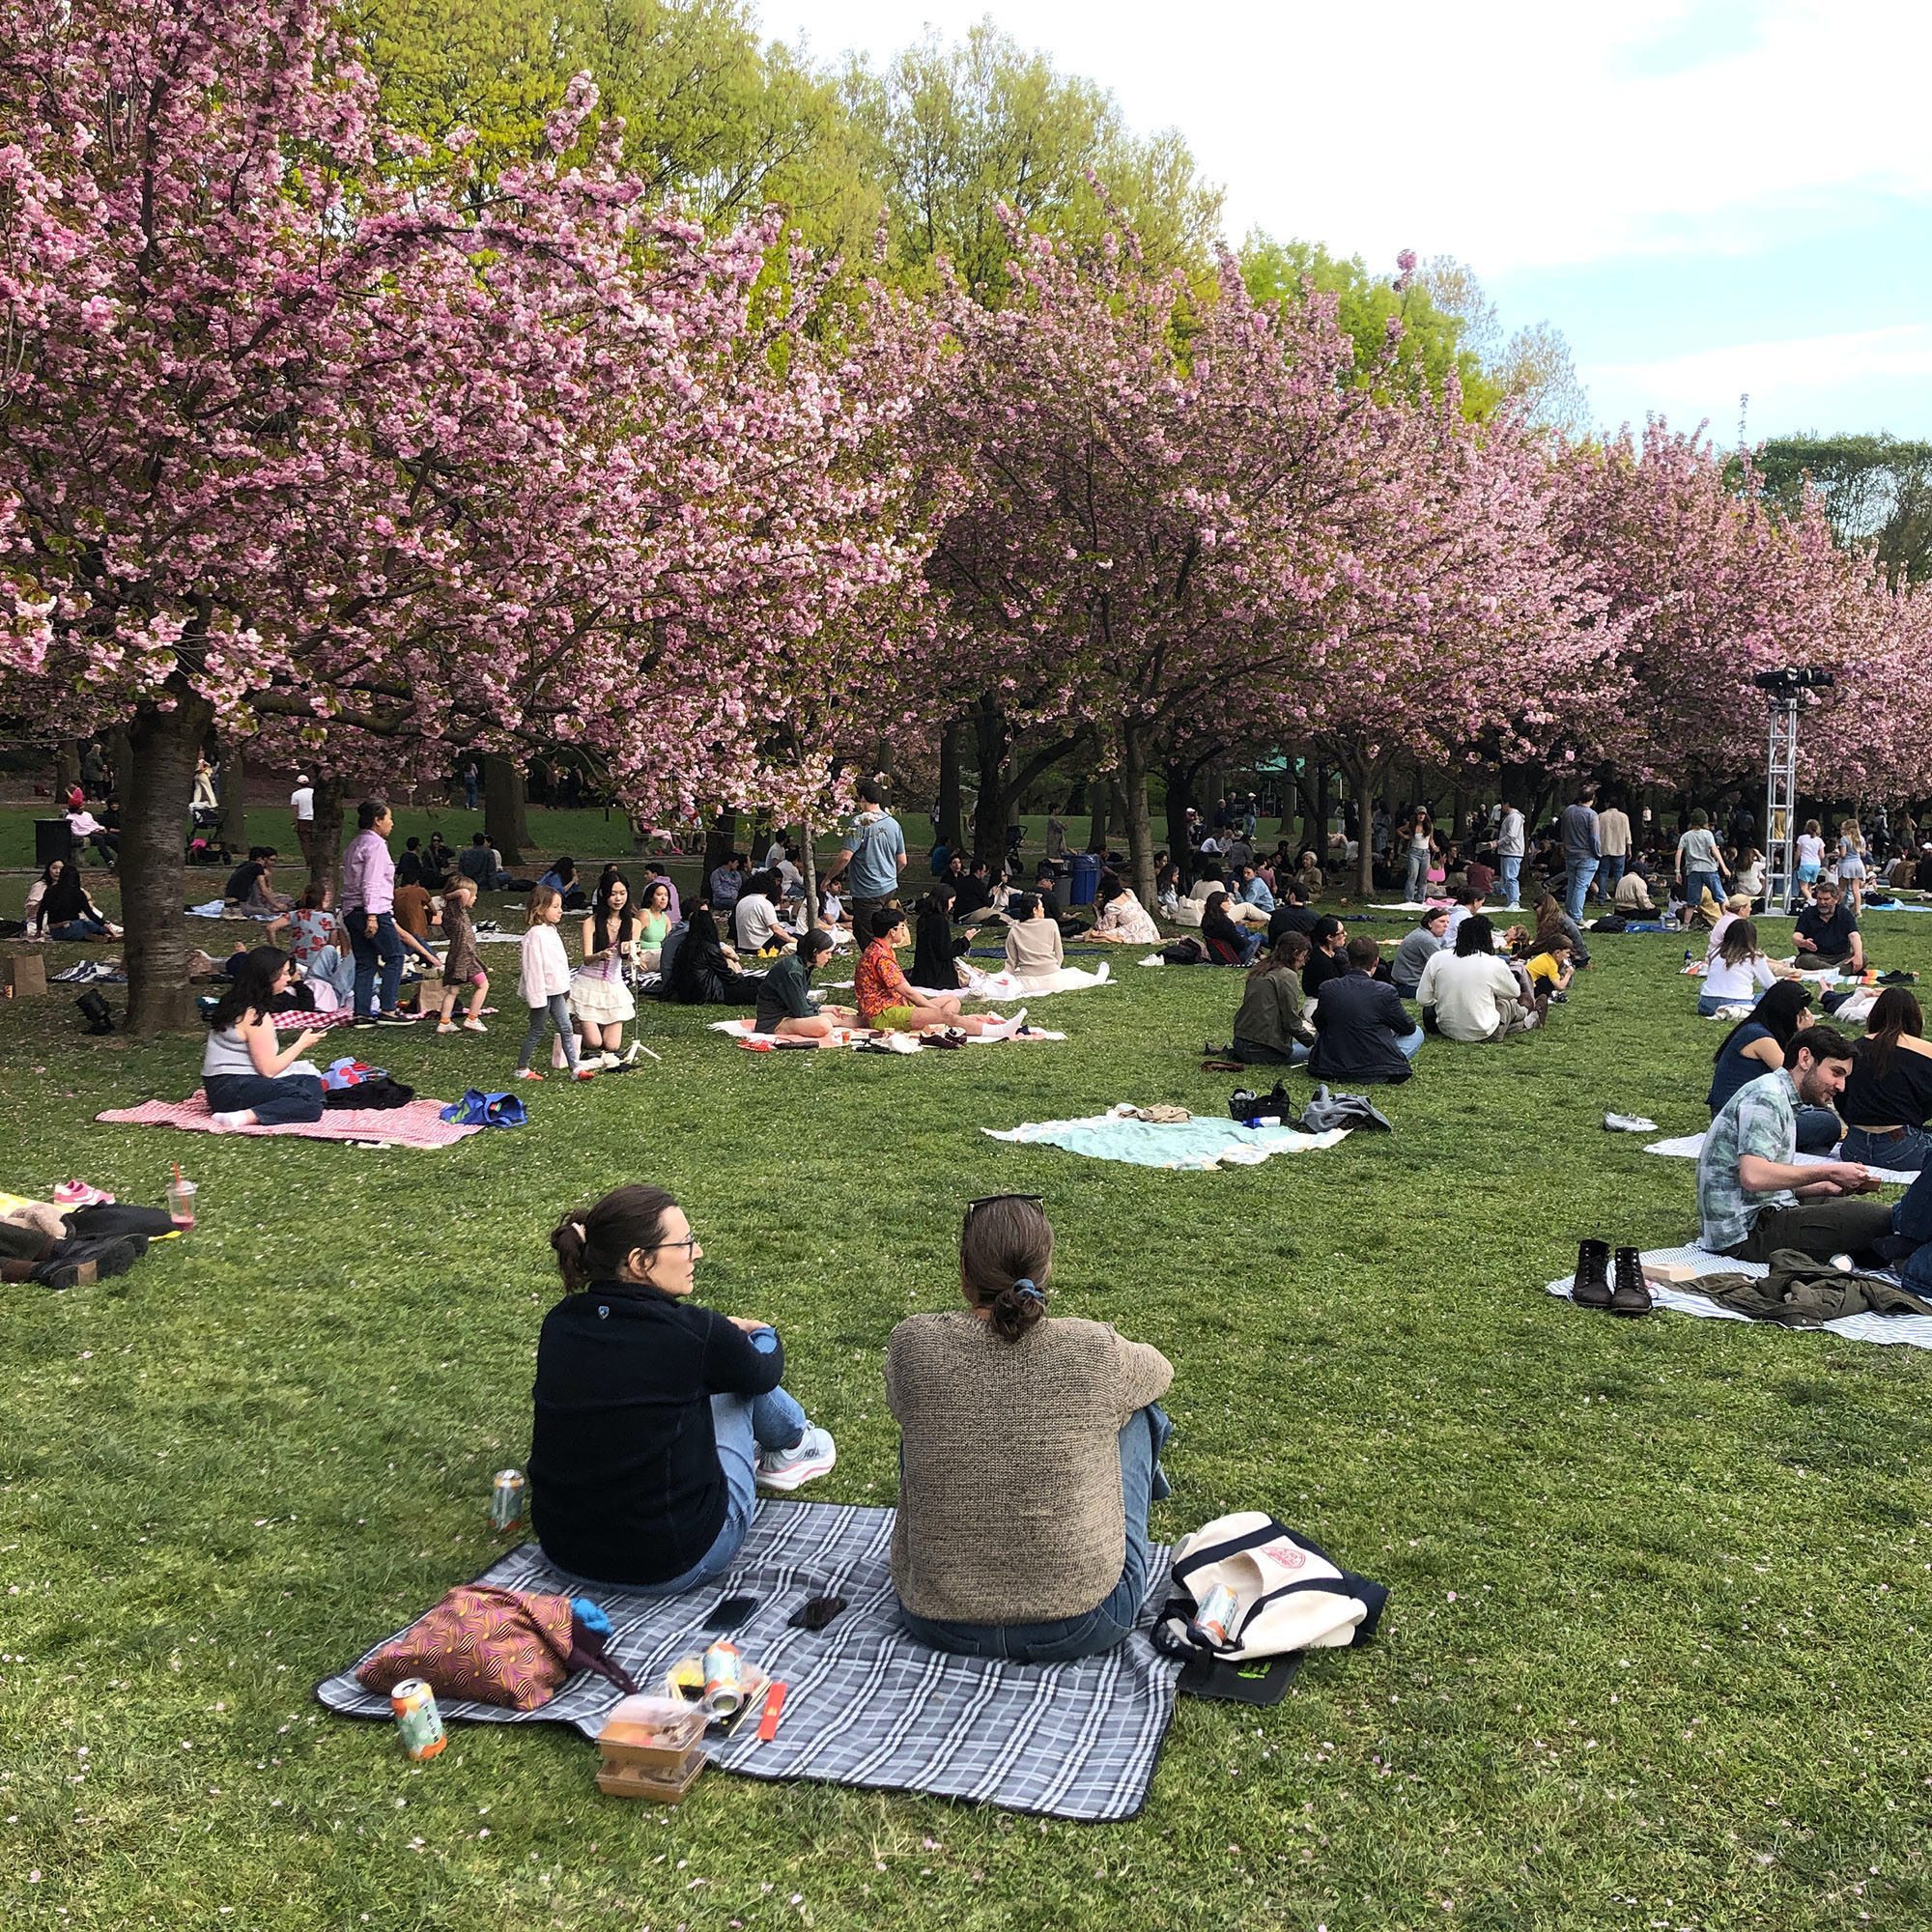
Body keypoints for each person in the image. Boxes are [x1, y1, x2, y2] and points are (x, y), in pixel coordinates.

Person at [888, 1195, 1172, 1662]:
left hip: (937, 1618)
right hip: (1088, 1620)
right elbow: (1159, 1372)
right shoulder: (1090, 1348)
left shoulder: (914, 1344)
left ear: (964, 1271)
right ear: (1047, 1267)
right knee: (1139, 1411)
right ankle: (1092, 1531)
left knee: (921, 1408)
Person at [528, 1183, 832, 1589]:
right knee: (732, 1382)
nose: (697, 1253)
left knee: (707, 1373)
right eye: (685, 1243)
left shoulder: (560, 1322)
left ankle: (794, 1446)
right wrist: (761, 1333)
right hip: (675, 1561)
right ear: (639, 1261)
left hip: (565, 1554)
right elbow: (763, 1373)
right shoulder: (694, 1336)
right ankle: (795, 1445)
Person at [1695, 1027, 1891, 1263]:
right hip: (1744, 1233)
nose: (1841, 1087)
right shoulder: (1766, 1097)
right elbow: (1754, 1177)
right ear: (1805, 1058)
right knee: (1878, 1218)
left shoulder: (1776, 1093)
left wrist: (1824, 1185)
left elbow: (1753, 1183)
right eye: (1836, 1073)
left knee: (1840, 1203)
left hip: (1756, 1213)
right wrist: (1829, 1170)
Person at [199, 947, 327, 1131]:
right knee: (310, 1104)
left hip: (221, 1087)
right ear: (267, 977)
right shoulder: (254, 1016)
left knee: (309, 1081)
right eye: (283, 974)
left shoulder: (234, 1002)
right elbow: (268, 1070)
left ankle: (282, 1107)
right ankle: (242, 1117)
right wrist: (301, 1044)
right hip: (233, 1088)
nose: (289, 979)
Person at [857, 909, 1023, 1037]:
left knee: (952, 1000)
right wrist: (934, 1011)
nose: (904, 930)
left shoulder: (878, 949)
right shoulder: (881, 957)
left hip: (893, 1006)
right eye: (902, 927)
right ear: (892, 931)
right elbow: (908, 992)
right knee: (946, 1015)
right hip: (884, 1013)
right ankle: (998, 1031)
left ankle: (941, 1022)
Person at [1837, 989, 1932, 1173]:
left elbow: (1840, 1095)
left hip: (1854, 1148)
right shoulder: (1925, 1051)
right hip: (1905, 1147)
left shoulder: (1853, 1048)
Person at [339, 799, 412, 1028]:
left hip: (351, 910)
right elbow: (371, 882)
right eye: (389, 818)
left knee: (365, 962)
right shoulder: (377, 845)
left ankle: (361, 1013)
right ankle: (388, 1009)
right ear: (377, 820)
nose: (392, 823)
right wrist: (372, 915)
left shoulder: (354, 844)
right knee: (394, 956)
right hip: (373, 910)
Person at [1309, 936, 1423, 1082]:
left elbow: (1319, 1022)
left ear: (1349, 961)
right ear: (1376, 961)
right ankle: (1384, 1064)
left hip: (1330, 1067)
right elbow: (1408, 1028)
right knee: (1417, 1032)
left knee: (1329, 1029)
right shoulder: (1385, 991)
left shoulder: (1328, 987)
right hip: (1374, 1069)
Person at [1417, 916, 1540, 1041]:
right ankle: (1528, 1018)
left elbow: (1423, 999)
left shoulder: (1437, 958)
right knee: (1511, 1002)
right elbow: (1514, 993)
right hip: (1485, 1030)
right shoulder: (1494, 962)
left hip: (1447, 1029)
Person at [515, 886, 592, 1081]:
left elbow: (558, 964)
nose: (560, 910)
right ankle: (521, 1068)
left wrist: (565, 987)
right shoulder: (534, 936)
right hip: (542, 993)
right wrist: (537, 998)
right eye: (555, 907)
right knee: (537, 1030)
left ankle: (575, 1068)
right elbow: (533, 970)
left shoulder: (551, 931)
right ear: (541, 908)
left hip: (556, 990)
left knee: (566, 1028)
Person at [571, 874, 640, 1067]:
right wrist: (599, 955)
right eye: (613, 894)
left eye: (622, 893)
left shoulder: (634, 924)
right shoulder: (591, 922)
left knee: (612, 1045)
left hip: (613, 985)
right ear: (603, 895)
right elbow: (586, 958)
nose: (618, 899)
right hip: (589, 983)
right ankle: (579, 1022)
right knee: (594, 1043)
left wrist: (636, 957)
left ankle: (596, 1022)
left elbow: (630, 956)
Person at [824, 778, 908, 937]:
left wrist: (828, 878)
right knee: (870, 928)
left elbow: (845, 857)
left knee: (869, 936)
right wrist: (891, 876)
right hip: (889, 887)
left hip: (868, 890)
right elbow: (903, 860)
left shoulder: (860, 822)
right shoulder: (893, 824)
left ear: (862, 798)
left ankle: (878, 962)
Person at [1227, 932, 1316, 1065]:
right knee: (1318, 1051)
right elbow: (1291, 1022)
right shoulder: (1287, 975)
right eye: (1304, 956)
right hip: (1261, 1050)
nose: (1304, 962)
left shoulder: (1261, 969)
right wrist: (1313, 1041)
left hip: (1240, 1043)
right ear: (1296, 954)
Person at [753, 927, 857, 1039]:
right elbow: (802, 1011)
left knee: (842, 1017)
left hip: (790, 1012)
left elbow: (800, 1001)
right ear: (814, 952)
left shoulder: (805, 966)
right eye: (827, 953)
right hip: (774, 1021)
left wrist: (827, 1008)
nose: (829, 957)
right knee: (824, 1024)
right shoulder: (792, 970)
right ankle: (782, 1029)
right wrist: (820, 1011)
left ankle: (868, 1022)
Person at [666, 907, 760, 1007]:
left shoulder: (684, 946)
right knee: (759, 990)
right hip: (710, 992)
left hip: (688, 993)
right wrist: (739, 974)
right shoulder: (709, 948)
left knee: (753, 981)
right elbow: (728, 976)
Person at [436, 876, 489, 1034]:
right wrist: (447, 896)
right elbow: (464, 892)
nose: (474, 897)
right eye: (474, 895)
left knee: (453, 990)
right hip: (465, 956)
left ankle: (444, 1022)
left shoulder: (450, 912)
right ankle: (472, 1018)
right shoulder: (456, 910)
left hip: (457, 955)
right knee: (483, 985)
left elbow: (463, 893)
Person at [31, 860, 116, 940]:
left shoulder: (50, 891)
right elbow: (89, 914)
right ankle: (92, 935)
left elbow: (41, 912)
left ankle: (89, 935)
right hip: (71, 926)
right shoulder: (77, 893)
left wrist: (39, 930)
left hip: (56, 931)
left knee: (86, 924)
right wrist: (105, 925)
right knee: (90, 926)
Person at [911, 885, 976, 988]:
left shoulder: (924, 917)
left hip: (922, 972)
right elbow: (945, 952)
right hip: (937, 975)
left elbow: (938, 946)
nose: (951, 906)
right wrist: (965, 940)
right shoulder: (939, 920)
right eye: (951, 902)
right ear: (944, 901)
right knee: (970, 975)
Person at [1793, 880, 1864, 972]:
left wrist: (1858, 955)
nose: (1822, 902)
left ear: (1836, 900)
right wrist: (1802, 942)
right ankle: (1836, 971)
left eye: (1826, 899)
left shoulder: (1844, 914)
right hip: (1815, 956)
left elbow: (1854, 935)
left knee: (1863, 957)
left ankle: (1830, 972)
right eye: (1819, 899)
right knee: (1803, 961)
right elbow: (1796, 936)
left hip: (1840, 957)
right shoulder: (1808, 913)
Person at [1002, 893, 1065, 986]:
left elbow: (1012, 961)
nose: (1043, 909)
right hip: (1052, 973)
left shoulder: (1015, 929)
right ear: (1034, 910)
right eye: (1041, 907)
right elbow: (1059, 954)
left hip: (1026, 977)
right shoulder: (1051, 923)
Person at [1390, 905, 1452, 999]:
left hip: (1402, 982)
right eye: (1442, 921)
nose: (1446, 925)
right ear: (1430, 923)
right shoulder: (1427, 940)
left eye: (1448, 922)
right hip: (1410, 986)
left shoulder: (1422, 933)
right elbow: (1442, 968)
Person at [1561, 784, 1601, 923]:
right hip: (1586, 855)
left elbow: (1563, 831)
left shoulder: (1568, 811)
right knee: (1581, 886)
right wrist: (1597, 854)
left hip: (1570, 853)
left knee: (1572, 883)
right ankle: (1576, 916)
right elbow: (1594, 838)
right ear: (1592, 798)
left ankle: (1569, 914)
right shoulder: (1591, 815)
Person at [1088, 876, 1160, 945]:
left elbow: (1106, 927)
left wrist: (1097, 910)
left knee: (1099, 934)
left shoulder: (1112, 906)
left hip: (1133, 929)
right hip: (1147, 923)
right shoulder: (1128, 893)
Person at [731, 871, 787, 955]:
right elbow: (776, 930)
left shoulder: (742, 902)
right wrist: (793, 940)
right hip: (762, 946)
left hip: (743, 945)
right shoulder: (765, 903)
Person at [1201, 891, 1261, 966]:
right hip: (1232, 956)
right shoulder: (1224, 922)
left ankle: (1260, 954)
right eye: (1226, 901)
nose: (1229, 904)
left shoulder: (1206, 919)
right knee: (1258, 937)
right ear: (1218, 904)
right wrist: (1245, 939)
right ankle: (1264, 953)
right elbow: (1240, 943)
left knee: (1242, 929)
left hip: (1217, 955)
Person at [1300, 916, 1350, 996]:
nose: (1345, 934)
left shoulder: (1336, 952)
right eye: (1342, 932)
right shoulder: (1319, 961)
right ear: (1330, 937)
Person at [631, 878, 673, 974]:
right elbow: (633, 940)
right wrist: (636, 958)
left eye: (666, 895)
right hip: (644, 954)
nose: (663, 898)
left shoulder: (665, 918)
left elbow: (671, 941)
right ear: (650, 897)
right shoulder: (644, 915)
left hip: (658, 954)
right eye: (659, 895)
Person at [1596, 797, 1632, 902]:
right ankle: (1619, 897)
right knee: (1618, 874)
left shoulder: (1600, 816)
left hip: (1604, 849)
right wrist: (1629, 848)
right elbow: (1627, 835)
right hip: (1619, 848)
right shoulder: (1623, 817)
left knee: (1603, 874)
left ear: (1607, 803)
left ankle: (1601, 897)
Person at [1523, 932, 1576, 1003]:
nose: (1568, 956)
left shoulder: (1544, 956)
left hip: (1524, 985)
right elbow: (1560, 987)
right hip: (1528, 990)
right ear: (1558, 953)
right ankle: (1541, 998)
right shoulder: (1551, 965)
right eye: (1567, 953)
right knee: (1548, 981)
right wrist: (1568, 973)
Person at [1401, 809, 1436, 903]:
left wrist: (1434, 846)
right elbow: (1399, 830)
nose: (1421, 816)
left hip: (1425, 852)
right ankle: (1409, 897)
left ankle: (1421, 898)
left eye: (1423, 814)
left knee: (1423, 877)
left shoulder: (1429, 826)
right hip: (1414, 852)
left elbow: (1431, 839)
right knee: (1413, 875)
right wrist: (1405, 836)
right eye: (1419, 814)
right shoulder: (1411, 826)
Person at [66, 801, 117, 867]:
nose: (82, 808)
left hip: (96, 831)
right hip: (86, 834)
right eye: (80, 807)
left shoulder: (87, 814)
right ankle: (109, 860)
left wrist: (101, 828)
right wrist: (90, 832)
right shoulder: (70, 818)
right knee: (99, 840)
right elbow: (75, 832)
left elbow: (93, 824)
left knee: (113, 838)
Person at [1496, 797, 1526, 910]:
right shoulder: (1510, 817)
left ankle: (1514, 901)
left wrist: (1498, 843)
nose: (1501, 807)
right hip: (1507, 851)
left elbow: (1511, 835)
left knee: (1511, 877)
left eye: (1502, 804)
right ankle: (1510, 901)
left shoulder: (1514, 817)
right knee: (1506, 877)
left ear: (1507, 804)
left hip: (1513, 851)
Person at [1837, 818, 1868, 916]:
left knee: (1841, 888)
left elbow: (1843, 854)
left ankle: (1837, 908)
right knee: (1856, 889)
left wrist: (1837, 854)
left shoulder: (1844, 839)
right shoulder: (1861, 839)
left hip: (1846, 865)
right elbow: (1863, 853)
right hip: (1858, 864)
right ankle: (1858, 910)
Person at [1793, 818, 1826, 901]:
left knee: (1803, 887)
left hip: (1805, 864)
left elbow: (1798, 853)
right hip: (1816, 865)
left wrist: (1795, 863)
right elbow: (1822, 855)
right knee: (1810, 886)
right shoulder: (1819, 840)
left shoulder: (1802, 838)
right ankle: (1807, 904)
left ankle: (1812, 901)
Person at [290, 775, 315, 867]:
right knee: (315, 841)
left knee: (305, 842)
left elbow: (295, 809)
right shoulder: (314, 792)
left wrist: (294, 823)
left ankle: (309, 861)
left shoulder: (296, 794)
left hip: (303, 820)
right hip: (315, 819)